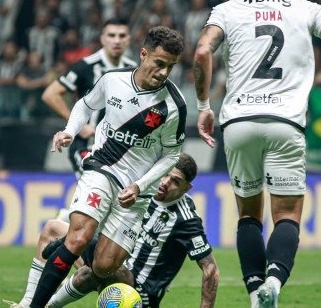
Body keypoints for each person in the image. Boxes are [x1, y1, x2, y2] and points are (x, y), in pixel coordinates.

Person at [192, 0, 321, 307]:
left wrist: (204, 106)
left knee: (249, 216)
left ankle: (255, 297)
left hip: (239, 122)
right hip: (285, 123)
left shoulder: (227, 9)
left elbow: (202, 51)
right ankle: (274, 283)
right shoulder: (305, 8)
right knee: (288, 215)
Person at [29, 25, 186, 308]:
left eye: (170, 67)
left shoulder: (173, 105)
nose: (163, 72)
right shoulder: (112, 80)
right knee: (78, 238)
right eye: (159, 63)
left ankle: (63, 242)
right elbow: (85, 106)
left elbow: (172, 156)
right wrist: (70, 130)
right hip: (102, 167)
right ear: (143, 54)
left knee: (103, 266)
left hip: (135, 189)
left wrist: (140, 186)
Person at [11, 154, 219, 308]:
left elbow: (210, 269)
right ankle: (28, 303)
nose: (165, 182)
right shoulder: (142, 189)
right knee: (53, 229)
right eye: (166, 175)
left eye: (176, 181)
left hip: (138, 292)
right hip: (115, 268)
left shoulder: (185, 219)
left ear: (186, 189)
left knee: (99, 260)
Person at [42, 17, 136, 179]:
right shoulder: (86, 66)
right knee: (96, 186)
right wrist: (81, 125)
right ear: (102, 39)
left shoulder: (133, 69)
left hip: (118, 149)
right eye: (111, 35)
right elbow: (50, 94)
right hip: (87, 146)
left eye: (122, 36)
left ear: (129, 40)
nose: (117, 40)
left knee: (114, 201)